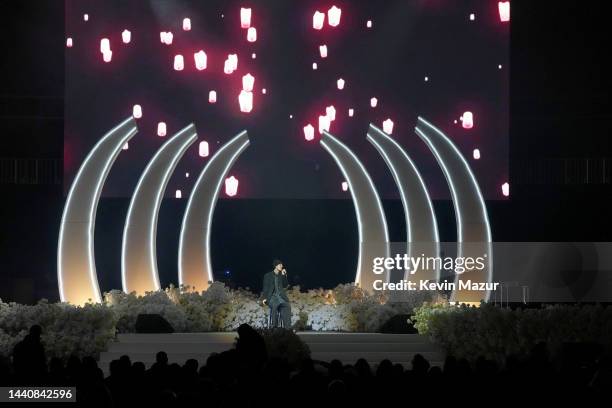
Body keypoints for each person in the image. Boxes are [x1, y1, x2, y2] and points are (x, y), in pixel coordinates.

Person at [262, 259, 291, 328]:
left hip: (281, 297)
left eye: (282, 265)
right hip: (272, 297)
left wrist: (284, 275)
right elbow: (265, 288)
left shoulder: (281, 275)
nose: (282, 266)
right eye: (280, 265)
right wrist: (264, 298)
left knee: (287, 306)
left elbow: (285, 285)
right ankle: (274, 327)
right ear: (276, 266)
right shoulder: (268, 275)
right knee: (275, 305)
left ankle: (287, 329)